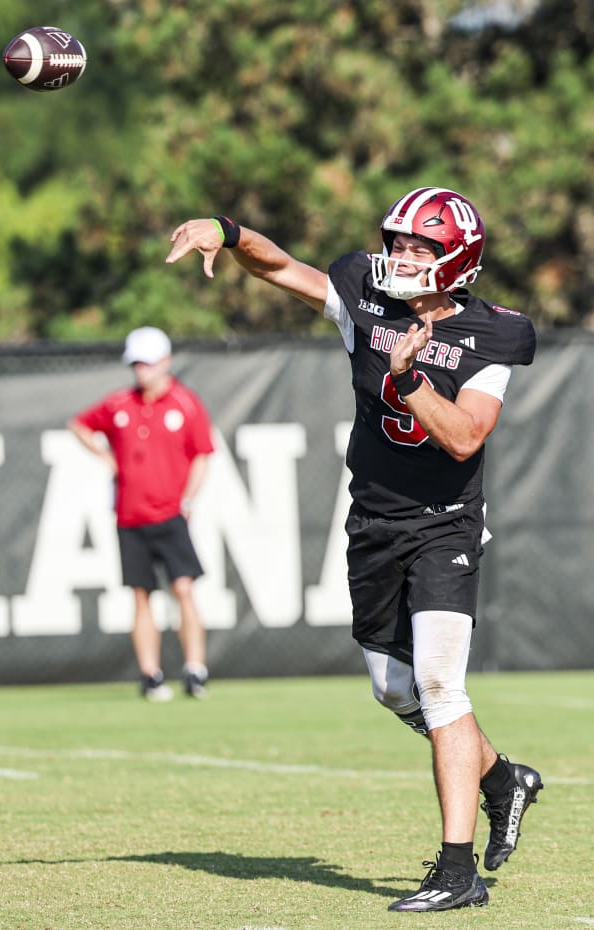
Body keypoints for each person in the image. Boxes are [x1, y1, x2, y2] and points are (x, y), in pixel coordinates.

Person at [165, 193, 543, 911]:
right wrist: (229, 229)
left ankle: (458, 872)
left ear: (455, 261)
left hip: (444, 525)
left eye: (416, 250)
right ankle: (502, 780)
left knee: (439, 685)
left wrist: (407, 380)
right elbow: (281, 268)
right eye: (395, 244)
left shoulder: (495, 334)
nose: (398, 259)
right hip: (373, 520)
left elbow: (465, 435)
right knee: (393, 688)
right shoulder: (364, 296)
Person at [68, 326, 214, 702]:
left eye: (147, 363)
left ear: (165, 362)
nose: (141, 371)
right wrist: (105, 458)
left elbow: (202, 453)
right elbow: (80, 425)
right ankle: (150, 675)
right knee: (141, 595)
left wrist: (189, 500)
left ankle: (195, 670)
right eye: (136, 364)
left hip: (170, 514)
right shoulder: (119, 404)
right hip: (130, 516)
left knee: (183, 589)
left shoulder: (185, 403)